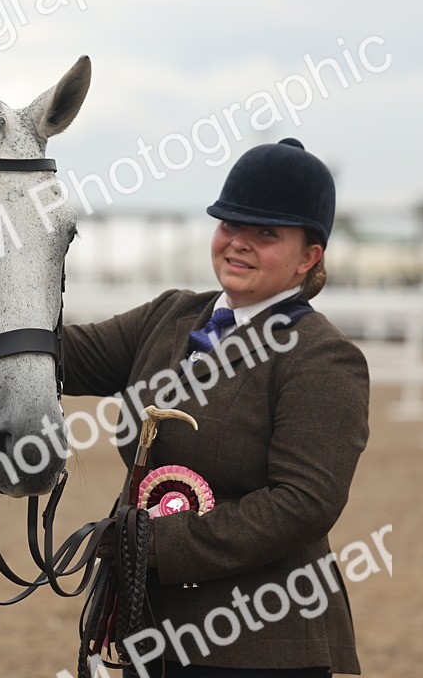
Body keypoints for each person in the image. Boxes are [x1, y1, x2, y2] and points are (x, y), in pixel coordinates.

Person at [63, 138, 370, 677]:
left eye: (266, 234)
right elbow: (64, 356)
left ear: (309, 257)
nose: (240, 243)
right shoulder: (171, 314)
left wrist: (156, 545)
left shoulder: (325, 358)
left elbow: (302, 504)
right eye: (230, 225)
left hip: (258, 644)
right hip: (147, 627)